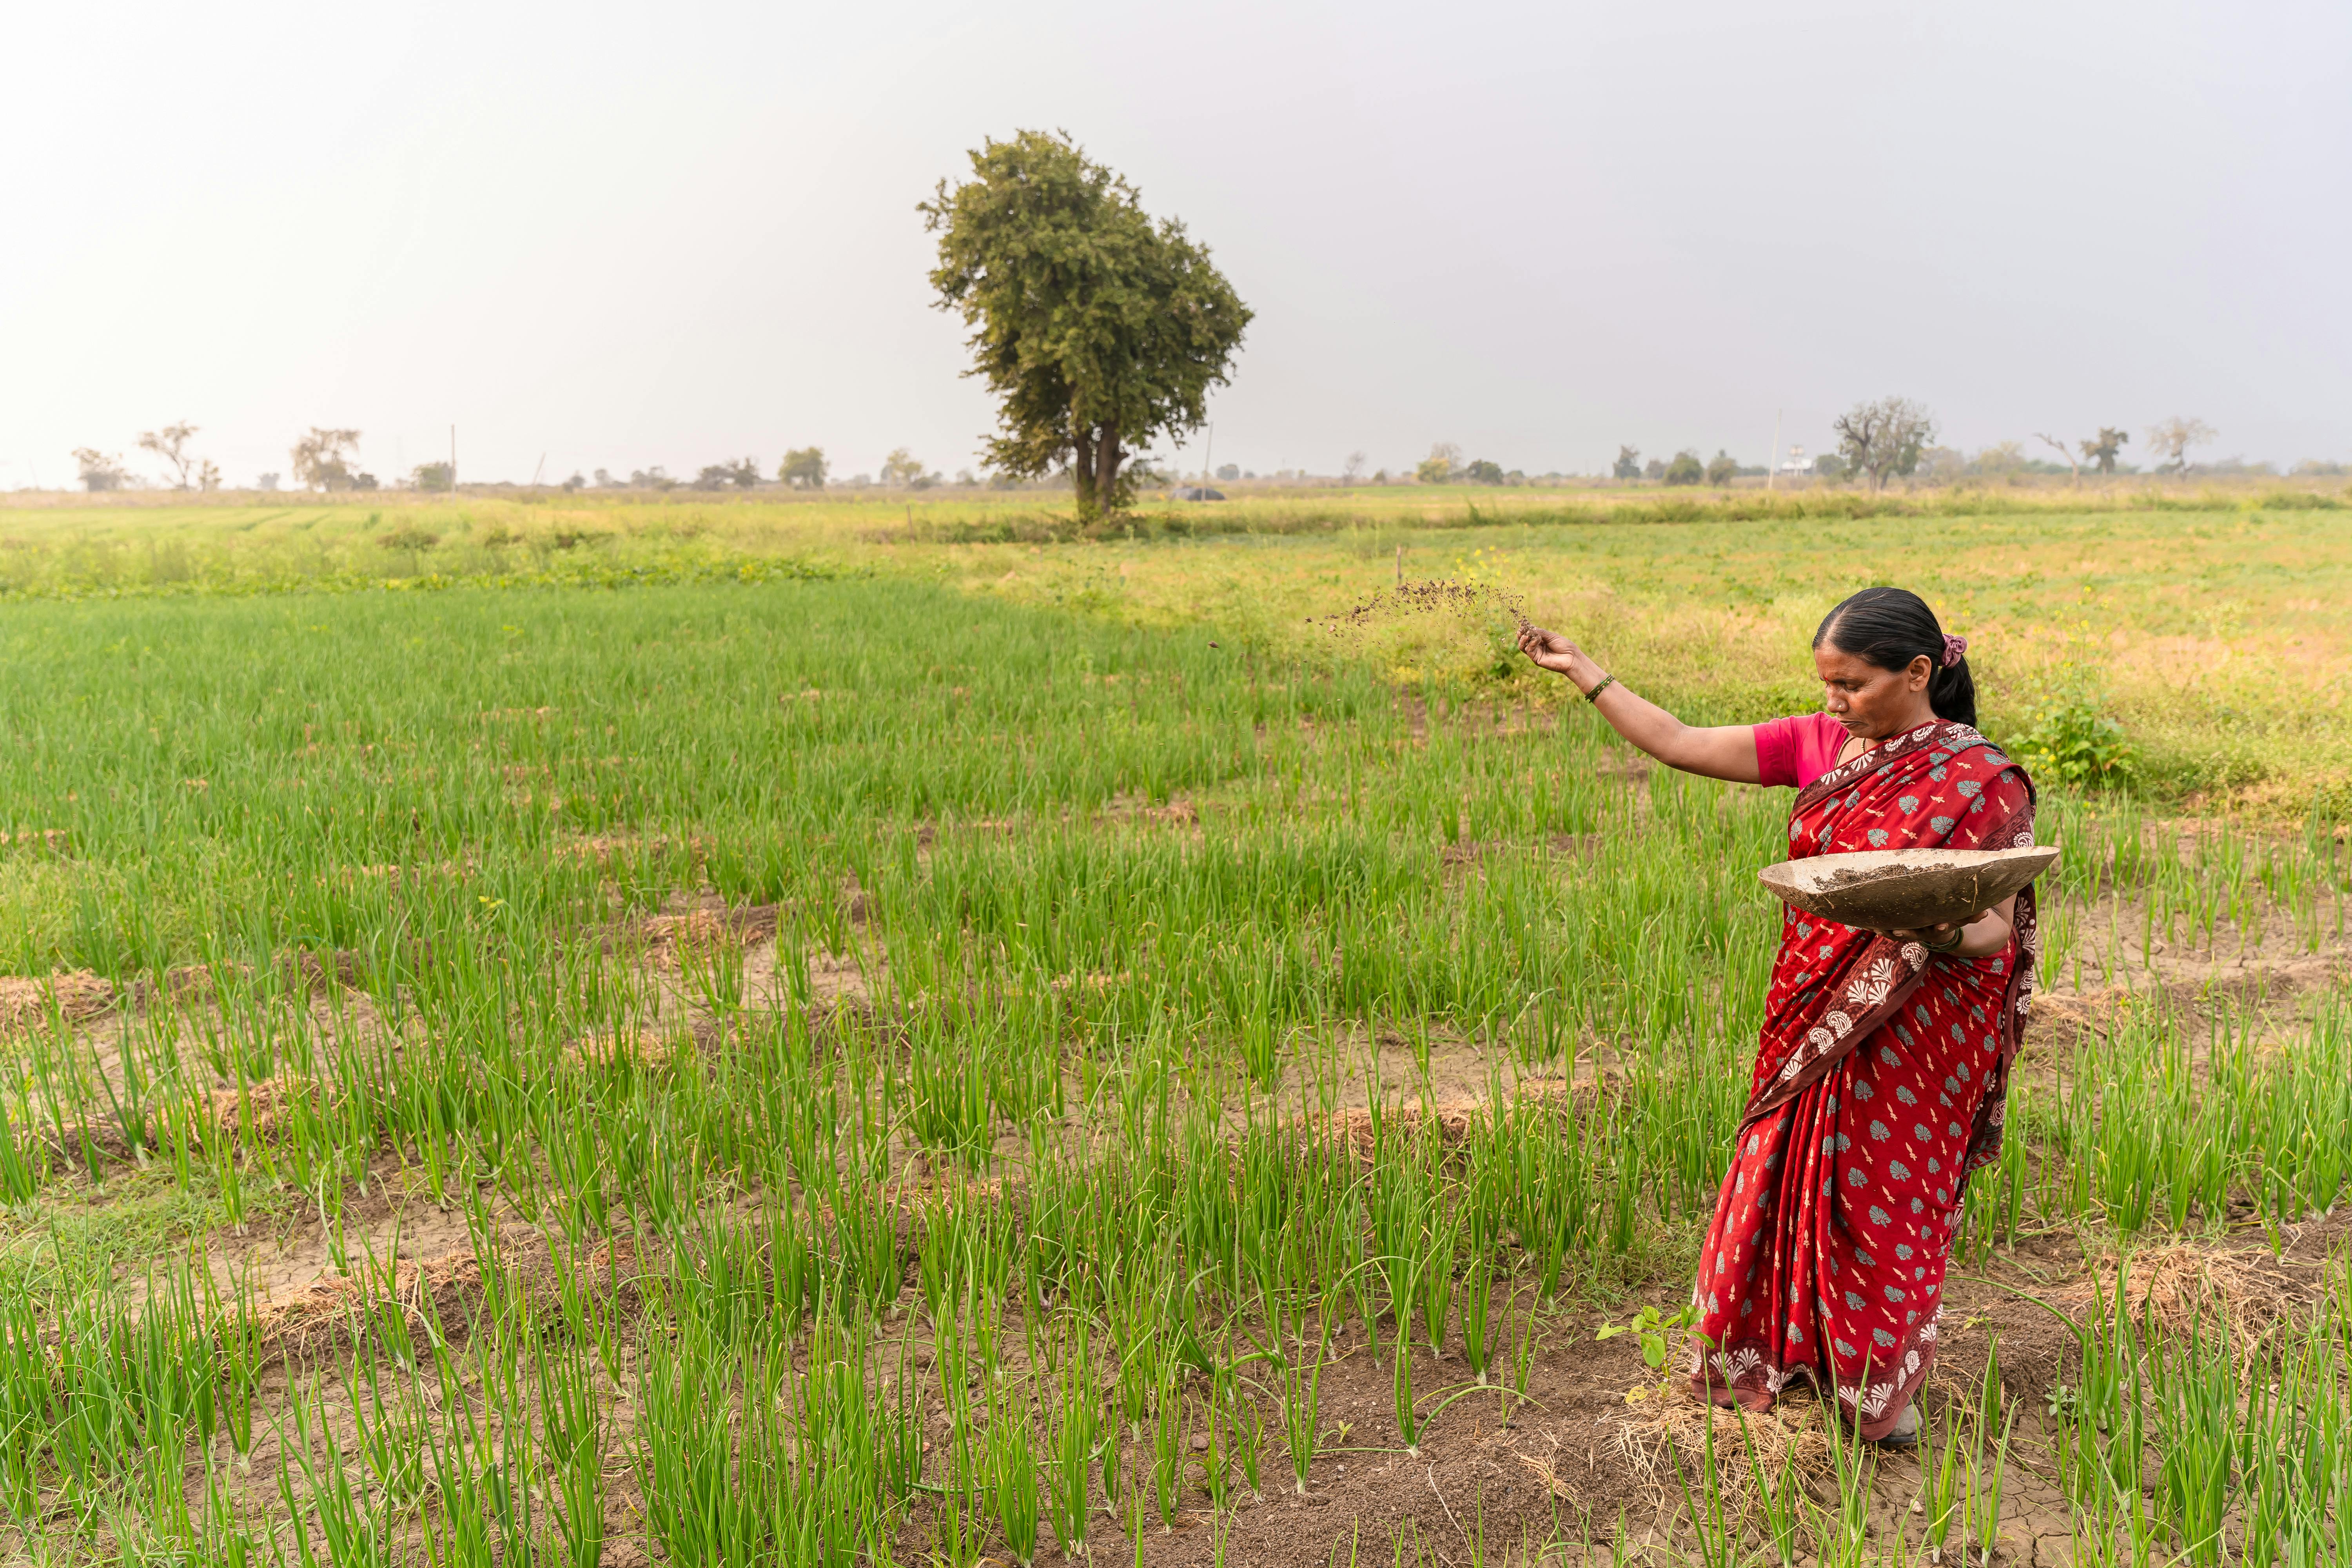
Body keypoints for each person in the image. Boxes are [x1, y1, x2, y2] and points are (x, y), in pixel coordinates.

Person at [1517, 586, 2037, 1447]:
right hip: (1813, 1003)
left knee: (1884, 1195)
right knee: (1781, 1165)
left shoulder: (1981, 777)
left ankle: (1875, 1385)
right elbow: (1679, 741)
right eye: (1827, 682)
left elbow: (1994, 927)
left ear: (1918, 673)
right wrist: (1584, 671)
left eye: (1852, 684)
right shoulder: (1820, 743)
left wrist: (1936, 926)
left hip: (1918, 1021)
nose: (1834, 700)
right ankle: (1770, 1359)